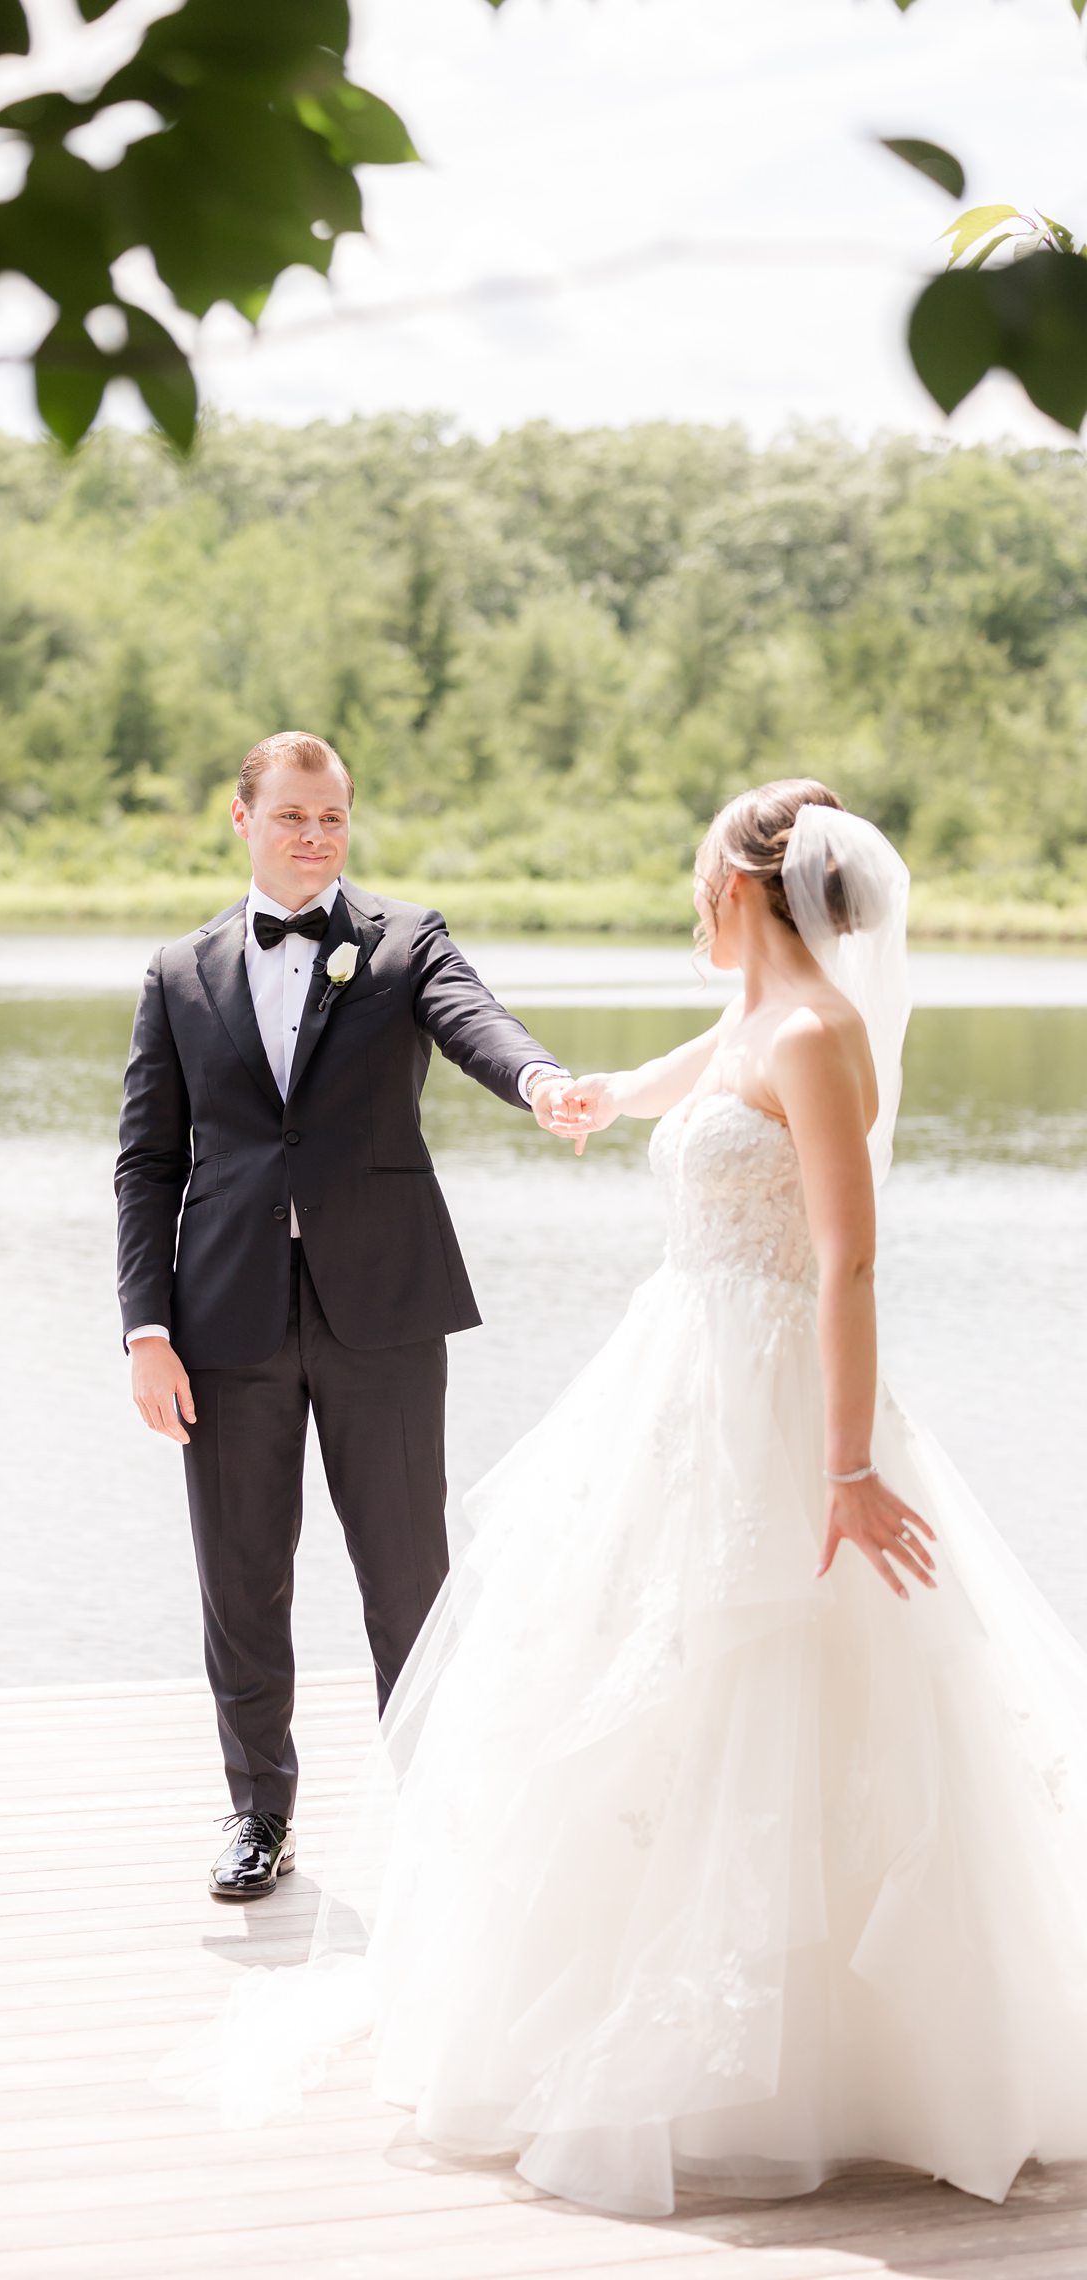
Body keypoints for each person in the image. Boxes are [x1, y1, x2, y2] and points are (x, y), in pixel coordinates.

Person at [156, 777, 1087, 2215]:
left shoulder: (824, 1033)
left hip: (778, 1397)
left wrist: (846, 1468)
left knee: (786, 1685)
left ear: (745, 891)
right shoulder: (755, 1021)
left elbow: (847, 1262)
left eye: (702, 872)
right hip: (678, 1379)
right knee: (627, 1676)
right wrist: (580, 1092)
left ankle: (840, 2059)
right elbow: (683, 1079)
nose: (689, 894)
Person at [115, 730, 581, 1902]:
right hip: (222, 1322)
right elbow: (146, 1163)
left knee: (406, 1570)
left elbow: (474, 1020)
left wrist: (535, 1081)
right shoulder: (178, 974)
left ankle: (434, 1806)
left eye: (330, 818)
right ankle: (257, 1817)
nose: (313, 837)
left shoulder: (402, 940)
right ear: (241, 820)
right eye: (290, 817)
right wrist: (145, 1330)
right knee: (240, 1577)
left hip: (380, 1310)